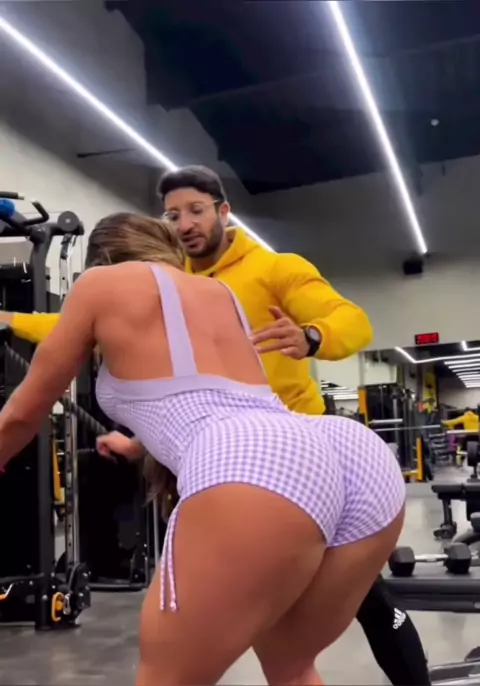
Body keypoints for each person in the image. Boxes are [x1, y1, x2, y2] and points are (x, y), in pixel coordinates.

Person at [0, 166, 430, 685]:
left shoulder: (102, 284)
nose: (186, 222)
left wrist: (313, 335)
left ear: (101, 260)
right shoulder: (219, 296)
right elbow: (208, 400)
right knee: (292, 667)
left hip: (253, 464)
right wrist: (138, 445)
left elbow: (22, 413)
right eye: (174, 215)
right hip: (345, 451)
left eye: (196, 210)